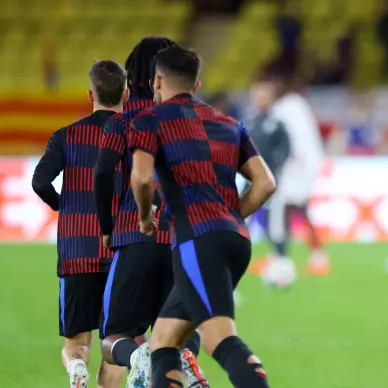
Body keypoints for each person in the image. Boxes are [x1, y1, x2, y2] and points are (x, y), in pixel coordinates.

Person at [127, 46, 276, 387]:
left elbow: (142, 176)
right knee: (164, 338)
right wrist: (229, 215)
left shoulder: (150, 119)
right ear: (196, 85)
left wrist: (145, 216)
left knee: (218, 338)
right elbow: (265, 183)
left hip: (197, 241)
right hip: (236, 239)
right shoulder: (229, 123)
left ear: (157, 82)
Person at [93, 37, 208, 387]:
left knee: (114, 338)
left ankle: (138, 357)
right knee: (179, 332)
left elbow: (101, 173)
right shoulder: (200, 118)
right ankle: (182, 358)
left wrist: (106, 226)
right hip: (184, 239)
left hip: (134, 233)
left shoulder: (124, 119)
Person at [32, 60, 129, 388]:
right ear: (126, 93)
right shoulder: (135, 137)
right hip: (121, 251)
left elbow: (40, 182)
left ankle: (76, 368)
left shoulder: (66, 136)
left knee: (77, 343)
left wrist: (65, 207)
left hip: (76, 252)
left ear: (90, 93)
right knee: (116, 341)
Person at [263, 77, 330, 276]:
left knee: (282, 205)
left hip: (297, 165)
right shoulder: (297, 103)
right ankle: (316, 253)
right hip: (309, 162)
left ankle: (282, 255)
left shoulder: (281, 109)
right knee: (299, 206)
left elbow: (288, 137)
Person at [247, 79, 293, 266]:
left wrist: (275, 170)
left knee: (275, 222)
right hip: (249, 181)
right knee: (240, 222)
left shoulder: (277, 123)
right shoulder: (248, 123)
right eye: (257, 95)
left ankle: (282, 259)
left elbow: (286, 149)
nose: (260, 100)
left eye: (264, 96)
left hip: (272, 181)